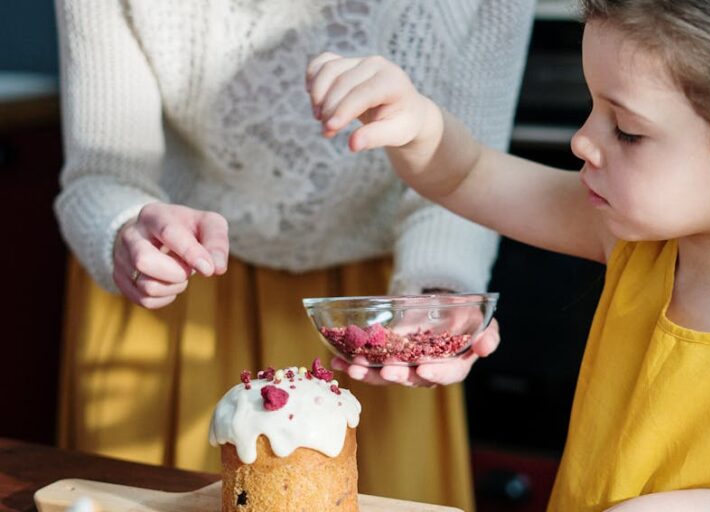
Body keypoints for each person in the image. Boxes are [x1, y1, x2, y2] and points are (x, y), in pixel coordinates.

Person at [53, 0, 536, 509]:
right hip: (175, 290)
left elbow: (464, 176)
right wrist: (128, 230)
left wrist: (435, 302)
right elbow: (101, 174)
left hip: (378, 310)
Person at [307, 0, 710, 510]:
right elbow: (469, 175)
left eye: (628, 131)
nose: (582, 140)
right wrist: (416, 123)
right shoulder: (635, 243)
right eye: (592, 107)